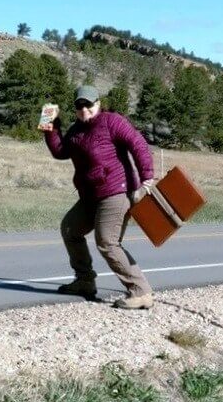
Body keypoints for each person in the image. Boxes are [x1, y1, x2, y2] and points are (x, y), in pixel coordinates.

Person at [39, 84, 158, 309]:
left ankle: (141, 291)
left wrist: (147, 178)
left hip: (116, 191)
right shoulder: (76, 130)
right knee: (70, 229)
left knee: (107, 242)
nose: (84, 110)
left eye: (88, 105)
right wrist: (49, 123)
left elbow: (138, 144)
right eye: (79, 105)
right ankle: (85, 281)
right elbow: (60, 151)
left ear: (98, 104)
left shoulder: (112, 121)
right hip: (90, 196)